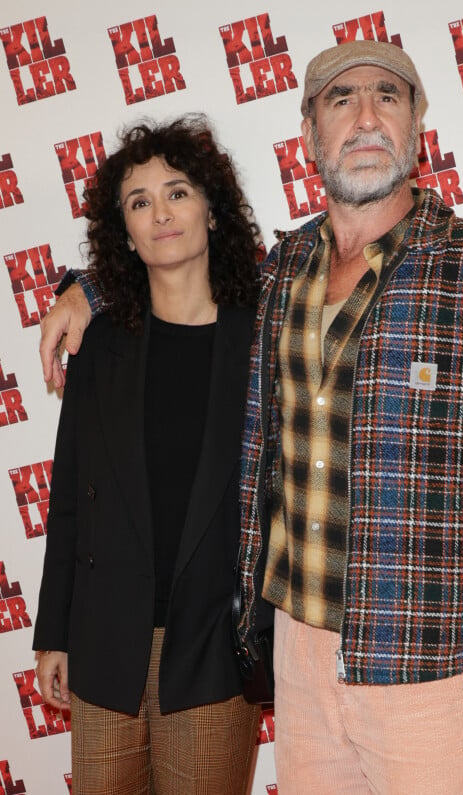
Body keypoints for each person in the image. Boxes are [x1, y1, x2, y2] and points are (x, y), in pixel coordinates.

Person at [39, 42, 463, 795]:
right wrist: (87, 288)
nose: (366, 116)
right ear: (311, 134)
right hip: (297, 655)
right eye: (340, 100)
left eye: (389, 95)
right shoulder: (281, 270)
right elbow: (174, 254)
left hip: (428, 658)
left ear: (416, 125)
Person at [33, 115, 262, 795]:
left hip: (212, 651)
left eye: (178, 192)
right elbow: (70, 494)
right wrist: (54, 631)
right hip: (104, 645)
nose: (160, 213)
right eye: (139, 202)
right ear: (123, 233)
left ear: (213, 213)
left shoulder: (261, 340)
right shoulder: (101, 345)